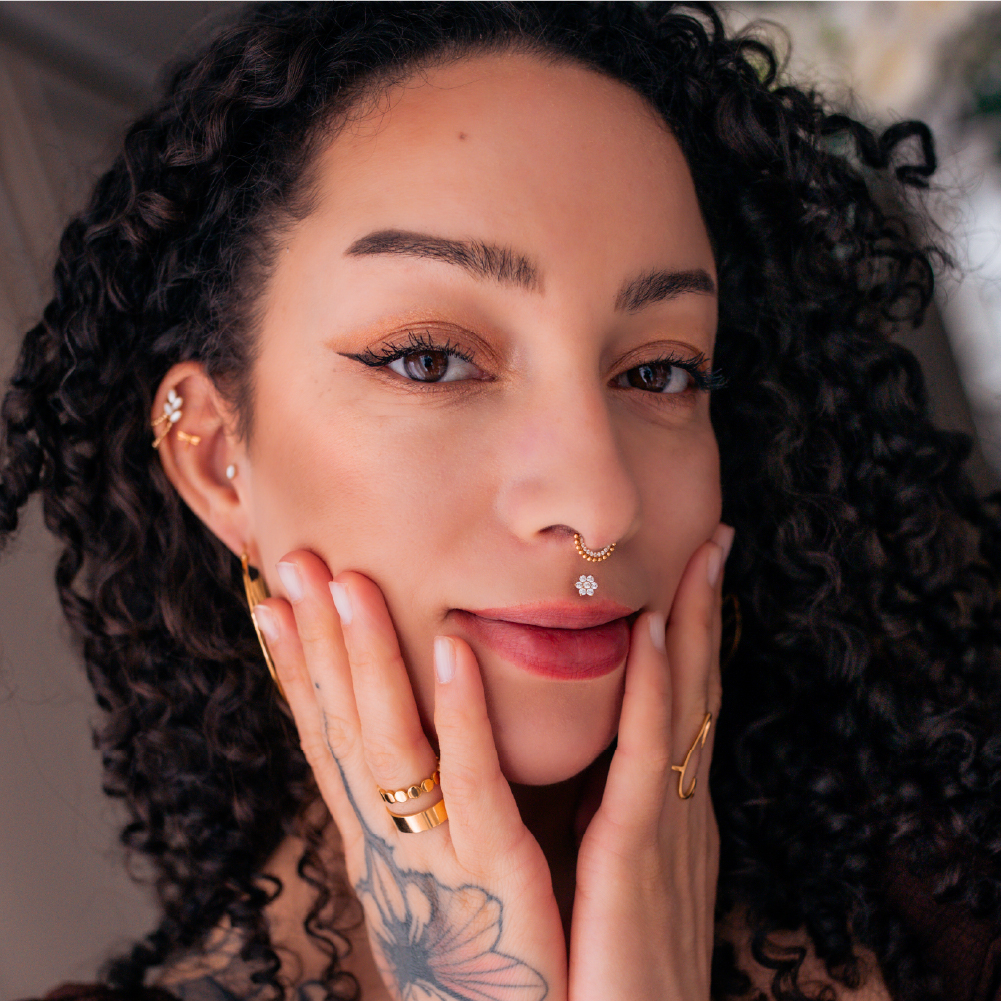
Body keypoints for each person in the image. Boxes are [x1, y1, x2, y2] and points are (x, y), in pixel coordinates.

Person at [4, 3, 1000, 999]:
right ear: (221, 458)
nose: (598, 504)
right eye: (430, 359)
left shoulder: (957, 900)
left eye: (657, 371)